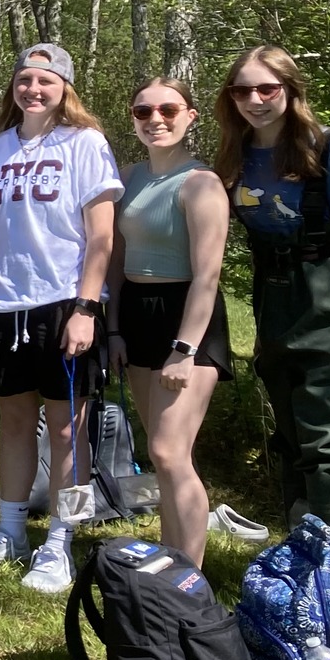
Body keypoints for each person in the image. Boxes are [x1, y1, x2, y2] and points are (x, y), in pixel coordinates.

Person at [0, 43, 121, 594]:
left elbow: (102, 235)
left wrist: (86, 306)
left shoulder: (85, 144)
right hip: (4, 304)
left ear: (64, 89)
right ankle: (8, 530)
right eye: (24, 79)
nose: (33, 89)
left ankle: (61, 540)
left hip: (64, 303)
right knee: (14, 422)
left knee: (69, 428)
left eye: (45, 81)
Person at [215, 46, 330, 543]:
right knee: (292, 437)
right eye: (243, 90)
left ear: (291, 90)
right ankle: (303, 559)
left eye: (267, 88)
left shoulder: (327, 148)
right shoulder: (236, 154)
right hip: (274, 303)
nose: (255, 99)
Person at [105, 77, 230, 566]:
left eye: (168, 110)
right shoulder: (130, 176)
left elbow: (208, 275)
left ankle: (190, 581)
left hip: (187, 319)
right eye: (143, 111)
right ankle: (168, 560)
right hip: (137, 313)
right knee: (162, 455)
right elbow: (116, 259)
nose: (155, 119)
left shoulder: (202, 183)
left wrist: (185, 348)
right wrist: (114, 329)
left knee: (171, 450)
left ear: (190, 115)